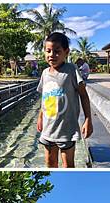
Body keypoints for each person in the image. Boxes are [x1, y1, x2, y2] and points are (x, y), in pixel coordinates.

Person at [36, 32, 93, 168]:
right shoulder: (45, 73)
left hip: (66, 130)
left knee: (68, 165)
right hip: (48, 129)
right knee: (50, 163)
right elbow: (45, 98)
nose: (51, 55)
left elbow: (83, 95)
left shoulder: (71, 70)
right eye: (48, 51)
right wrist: (40, 117)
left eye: (57, 51)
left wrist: (88, 119)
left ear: (66, 52)